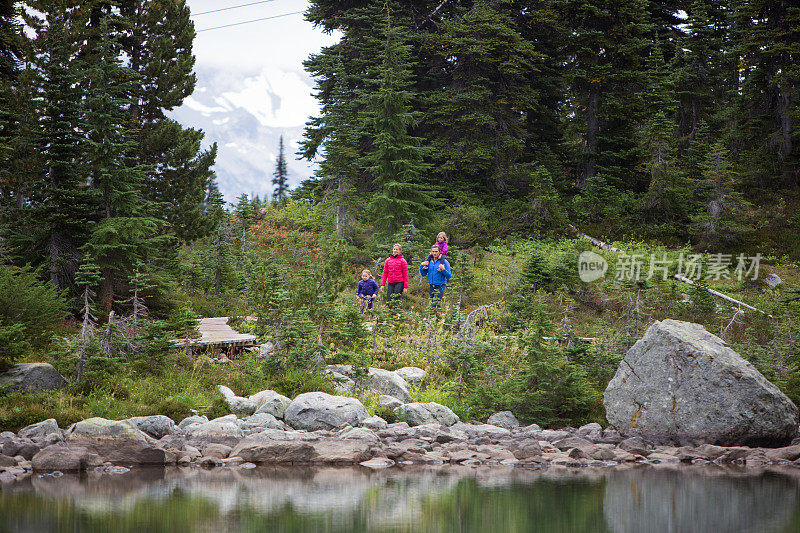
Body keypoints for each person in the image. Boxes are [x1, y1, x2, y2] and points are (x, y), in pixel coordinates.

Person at [419, 244, 451, 308]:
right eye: (433, 251)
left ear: (439, 252)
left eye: (436, 251)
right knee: (432, 303)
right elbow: (423, 274)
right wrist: (421, 266)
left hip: (440, 285)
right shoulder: (429, 262)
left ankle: (435, 316)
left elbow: (449, 276)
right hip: (431, 285)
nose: (434, 253)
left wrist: (443, 270)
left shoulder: (444, 262)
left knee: (435, 303)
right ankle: (433, 316)